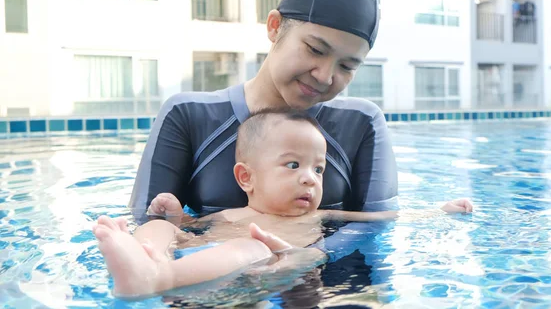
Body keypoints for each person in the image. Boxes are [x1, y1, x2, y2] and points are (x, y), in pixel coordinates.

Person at [129, 0, 401, 266]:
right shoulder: (188, 114)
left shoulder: (362, 122)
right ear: (274, 27)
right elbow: (148, 223)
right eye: (315, 49)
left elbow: (379, 224)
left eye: (347, 66)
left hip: (325, 290)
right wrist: (160, 266)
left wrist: (312, 255)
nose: (325, 76)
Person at [95, 109, 473, 298]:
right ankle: (147, 255)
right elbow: (191, 231)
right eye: (293, 165)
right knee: (162, 227)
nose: (310, 177)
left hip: (247, 265)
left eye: (318, 169)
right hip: (199, 254)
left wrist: (438, 211)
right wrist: (174, 220)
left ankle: (155, 279)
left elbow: (381, 218)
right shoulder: (226, 214)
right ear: (247, 178)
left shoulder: (323, 214)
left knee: (251, 245)